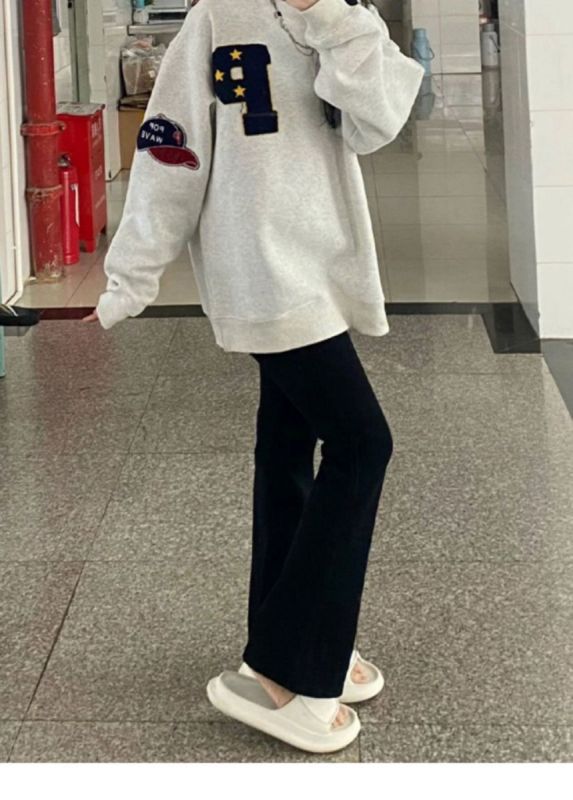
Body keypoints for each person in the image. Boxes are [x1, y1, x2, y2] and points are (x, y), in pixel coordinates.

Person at [84, 0, 424, 753]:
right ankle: (286, 669)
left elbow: (377, 122)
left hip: (324, 269)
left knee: (287, 453)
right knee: (362, 444)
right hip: (265, 275)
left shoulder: (343, 16)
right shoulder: (216, 19)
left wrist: (329, 17)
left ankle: (292, 640)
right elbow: (171, 150)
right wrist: (131, 276)